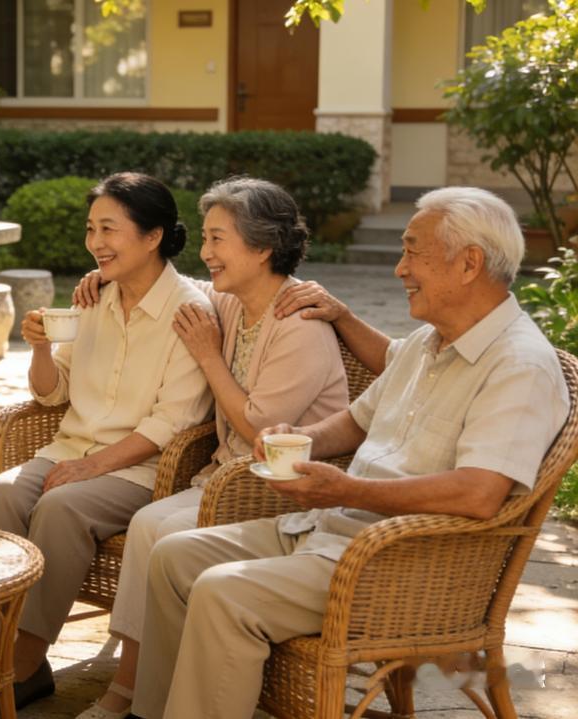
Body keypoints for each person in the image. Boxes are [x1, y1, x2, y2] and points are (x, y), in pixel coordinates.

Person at [131, 187, 570, 719]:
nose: (399, 269)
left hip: (398, 567)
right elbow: (357, 422)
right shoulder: (429, 344)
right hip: (332, 531)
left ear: (469, 264)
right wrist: (299, 441)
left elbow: (480, 494)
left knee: (225, 593)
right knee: (174, 557)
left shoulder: (518, 366)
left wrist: (346, 489)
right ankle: (151, 711)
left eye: (413, 252)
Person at [71, 177, 350, 719]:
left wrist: (208, 357)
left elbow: (260, 433)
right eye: (204, 238)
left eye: (218, 239)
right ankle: (145, 695)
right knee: (156, 528)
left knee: (154, 527)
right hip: (223, 477)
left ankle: (131, 694)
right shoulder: (229, 299)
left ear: (263, 247)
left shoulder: (298, 326)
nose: (204, 252)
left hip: (280, 490)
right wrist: (104, 274)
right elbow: (169, 285)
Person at [0, 172, 215, 709]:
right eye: (91, 229)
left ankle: (26, 664)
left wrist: (95, 466)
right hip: (67, 449)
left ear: (152, 236)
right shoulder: (91, 298)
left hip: (140, 468)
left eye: (109, 229)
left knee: (61, 507)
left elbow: (172, 423)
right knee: (0, 493)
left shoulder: (188, 310)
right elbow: (50, 395)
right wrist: (38, 347)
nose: (95, 242)